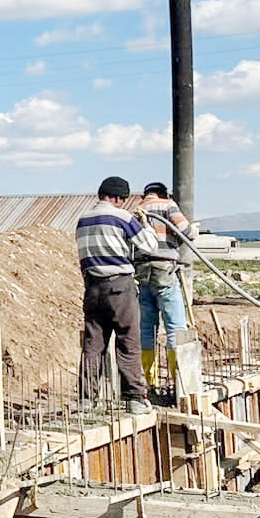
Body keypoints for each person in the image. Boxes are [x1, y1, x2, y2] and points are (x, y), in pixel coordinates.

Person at [76, 177, 161, 413]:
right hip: (119, 286)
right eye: (123, 200)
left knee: (93, 344)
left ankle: (86, 400)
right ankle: (134, 398)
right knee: (128, 340)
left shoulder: (83, 219)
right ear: (116, 198)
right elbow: (149, 246)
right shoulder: (122, 217)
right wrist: (145, 225)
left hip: (93, 287)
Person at [134, 182, 195, 384]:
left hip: (142, 272)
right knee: (175, 326)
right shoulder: (168, 205)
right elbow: (186, 233)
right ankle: (179, 381)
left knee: (146, 328)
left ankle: (151, 381)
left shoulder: (137, 209)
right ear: (163, 193)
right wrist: (193, 230)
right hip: (165, 270)